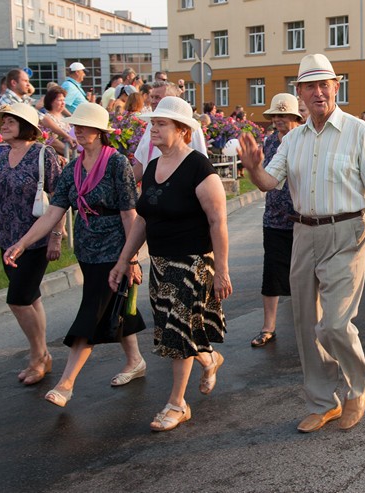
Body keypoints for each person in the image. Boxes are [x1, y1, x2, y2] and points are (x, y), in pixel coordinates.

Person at [238, 53, 365, 433]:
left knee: (334, 325)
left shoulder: (359, 132)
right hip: (302, 234)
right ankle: (324, 402)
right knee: (307, 326)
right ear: (300, 92)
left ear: (336, 87)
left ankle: (358, 385)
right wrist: (254, 167)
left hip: (348, 233)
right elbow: (269, 184)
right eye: (310, 86)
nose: (318, 92)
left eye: (325, 84)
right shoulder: (292, 138)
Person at [2, 103, 147, 407]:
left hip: (114, 250)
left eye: (83, 126)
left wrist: (130, 257)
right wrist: (24, 243)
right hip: (86, 247)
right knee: (115, 305)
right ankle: (136, 360)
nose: (77, 131)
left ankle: (66, 384)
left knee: (92, 311)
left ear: (99, 131)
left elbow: (129, 214)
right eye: (75, 126)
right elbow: (54, 211)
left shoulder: (117, 163)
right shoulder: (73, 167)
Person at [108, 97, 231, 432]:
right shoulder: (150, 168)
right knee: (174, 331)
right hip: (160, 264)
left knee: (177, 333)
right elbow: (143, 221)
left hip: (192, 264)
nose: (154, 129)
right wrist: (125, 260)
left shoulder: (199, 168)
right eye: (153, 124)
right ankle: (208, 358)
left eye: (161, 124)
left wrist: (222, 270)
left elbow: (218, 221)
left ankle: (177, 403)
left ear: (182, 130)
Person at [0, 103, 63, 386]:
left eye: (11, 121)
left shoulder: (43, 154)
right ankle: (41, 355)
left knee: (18, 300)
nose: (4, 125)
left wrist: (56, 236)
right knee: (30, 297)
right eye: (3, 121)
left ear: (26, 125)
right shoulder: (2, 157)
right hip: (7, 241)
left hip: (35, 241)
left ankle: (39, 356)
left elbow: (59, 199)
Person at [248, 93, 303, 348]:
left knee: (307, 275)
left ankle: (311, 325)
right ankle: (268, 326)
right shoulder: (269, 142)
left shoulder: (305, 140)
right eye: (275, 116)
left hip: (304, 219)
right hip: (274, 218)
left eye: (284, 115)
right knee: (271, 274)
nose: (278, 120)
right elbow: (262, 177)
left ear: (295, 117)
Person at [133, 81, 207, 181]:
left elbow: (202, 165)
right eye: (152, 97)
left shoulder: (190, 128)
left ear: (173, 99)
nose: (153, 101)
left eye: (158, 97)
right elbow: (141, 164)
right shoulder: (150, 125)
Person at [40, 86, 78, 157]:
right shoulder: (47, 118)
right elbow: (52, 141)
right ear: (51, 102)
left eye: (64, 100)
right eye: (60, 100)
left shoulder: (64, 118)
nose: (63, 103)